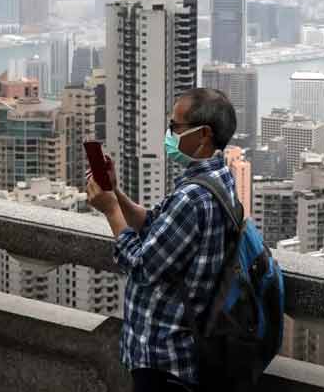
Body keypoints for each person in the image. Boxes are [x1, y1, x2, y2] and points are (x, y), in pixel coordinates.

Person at [87, 88, 239, 392]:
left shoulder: (192, 197)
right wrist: (115, 192)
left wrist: (111, 210)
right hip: (180, 355)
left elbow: (143, 267)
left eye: (175, 127)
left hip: (166, 361)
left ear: (204, 134)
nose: (169, 134)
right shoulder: (218, 178)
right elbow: (156, 224)